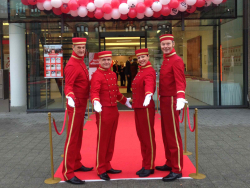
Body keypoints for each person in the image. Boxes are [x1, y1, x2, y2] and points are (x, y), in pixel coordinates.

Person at [91, 51, 132, 181]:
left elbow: (115, 91)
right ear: (99, 61)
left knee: (111, 140)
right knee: (103, 141)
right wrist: (96, 102)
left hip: (114, 110)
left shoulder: (113, 74)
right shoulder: (96, 75)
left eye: (108, 60)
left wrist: (125, 100)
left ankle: (107, 164)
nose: (107, 62)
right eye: (104, 60)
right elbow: (94, 91)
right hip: (103, 111)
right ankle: (101, 168)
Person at [156, 34, 187, 181]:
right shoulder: (166, 59)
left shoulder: (176, 60)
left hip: (172, 100)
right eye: (163, 44)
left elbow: (180, 81)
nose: (165, 46)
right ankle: (170, 162)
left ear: (173, 43)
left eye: (168, 44)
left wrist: (180, 97)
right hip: (165, 100)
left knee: (173, 135)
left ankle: (177, 168)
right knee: (166, 133)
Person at [63, 37, 93, 185]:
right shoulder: (72, 65)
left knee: (79, 135)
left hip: (81, 105)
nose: (81, 50)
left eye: (83, 47)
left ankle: (76, 162)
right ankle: (68, 172)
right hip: (75, 105)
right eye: (79, 47)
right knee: (72, 138)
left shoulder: (80, 62)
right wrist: (69, 96)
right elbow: (68, 85)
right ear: (73, 47)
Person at [132, 48, 156, 177]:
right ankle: (145, 163)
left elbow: (150, 84)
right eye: (139, 58)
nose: (141, 60)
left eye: (143, 57)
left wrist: (148, 94)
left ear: (148, 57)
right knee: (142, 137)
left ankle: (149, 165)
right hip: (139, 107)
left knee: (148, 137)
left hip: (146, 108)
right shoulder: (141, 70)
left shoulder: (149, 71)